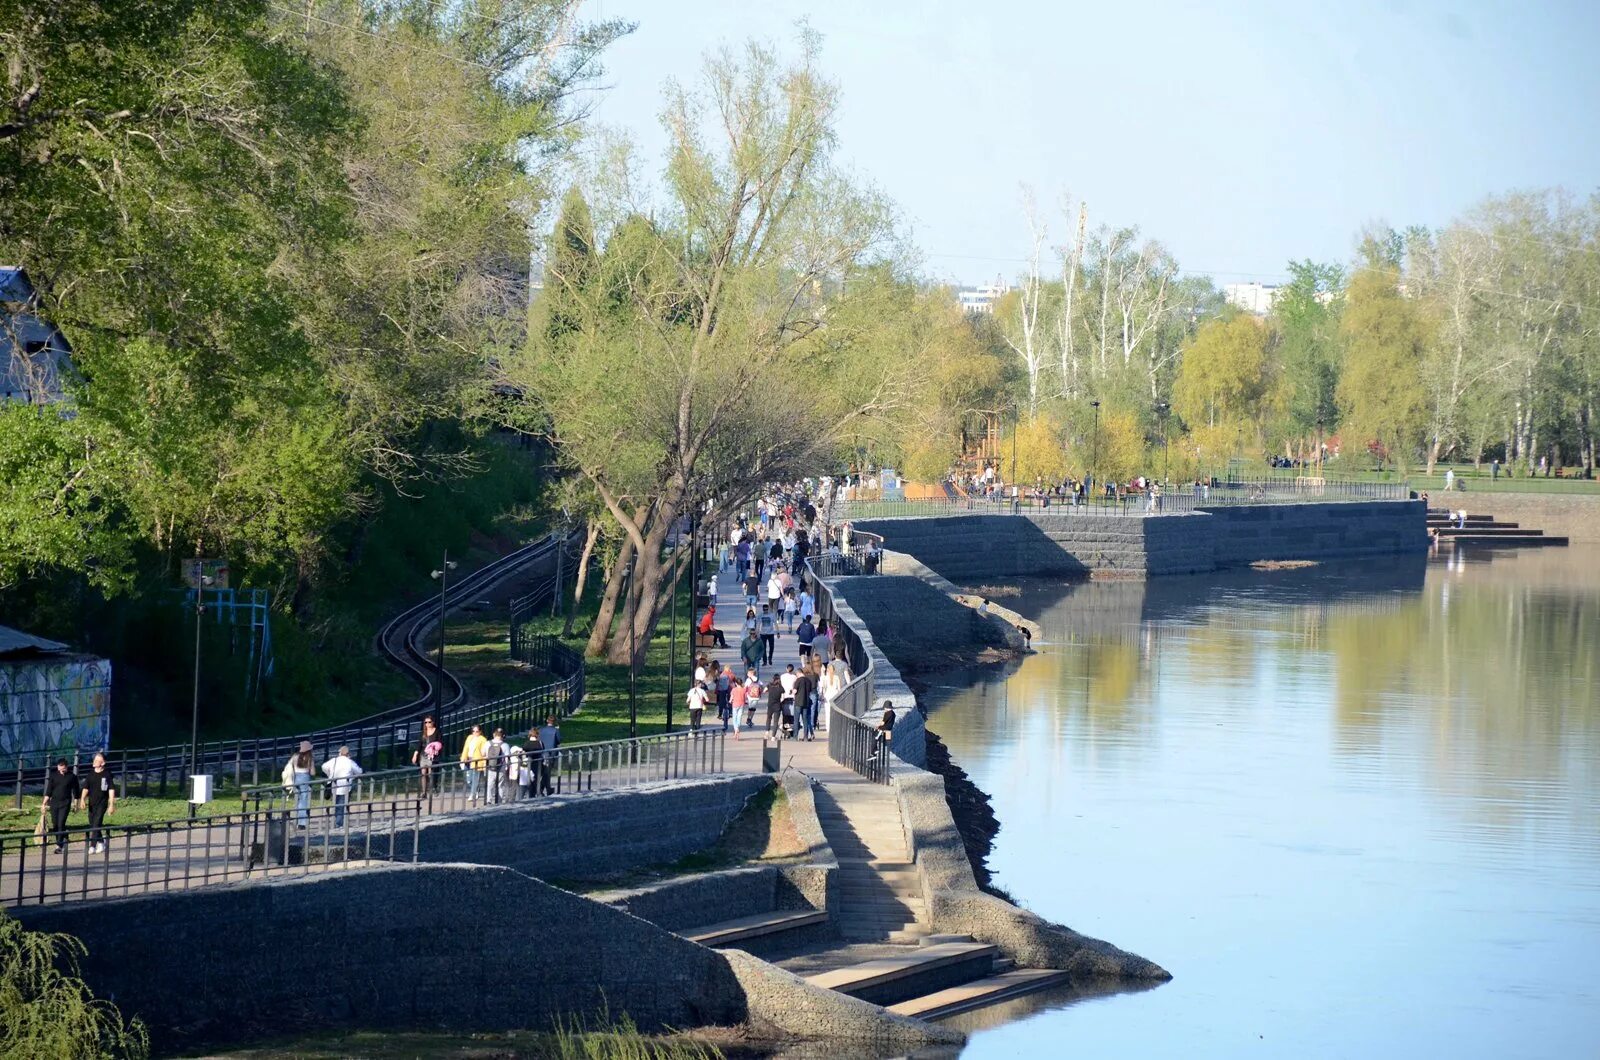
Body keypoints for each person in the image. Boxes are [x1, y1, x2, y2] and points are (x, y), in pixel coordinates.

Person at [79, 753, 116, 854]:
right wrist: (82, 799)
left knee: (96, 822)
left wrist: (111, 804)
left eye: (97, 760)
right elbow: (85, 788)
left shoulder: (107, 774)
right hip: (92, 802)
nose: (94, 762)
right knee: (92, 823)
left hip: (102, 802)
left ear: (103, 763)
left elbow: (111, 789)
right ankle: (101, 841)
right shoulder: (90, 774)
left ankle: (92, 845)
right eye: (94, 760)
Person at [42, 758, 79, 854]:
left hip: (65, 802)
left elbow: (76, 790)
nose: (61, 769)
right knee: (55, 824)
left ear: (66, 767)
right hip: (54, 802)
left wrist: (76, 803)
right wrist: (44, 804)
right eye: (60, 767)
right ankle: (64, 835)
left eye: (63, 767)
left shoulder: (72, 776)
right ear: (58, 767)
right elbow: (49, 790)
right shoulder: (54, 776)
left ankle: (59, 845)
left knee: (61, 822)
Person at [320, 745, 363, 827]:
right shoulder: (350, 762)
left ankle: (338, 821)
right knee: (341, 804)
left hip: (334, 784)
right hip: (345, 785)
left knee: (337, 803)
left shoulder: (334, 760)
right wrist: (352, 776)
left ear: (339, 753)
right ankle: (338, 823)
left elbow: (323, 766)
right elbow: (359, 771)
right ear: (348, 753)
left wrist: (329, 774)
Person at [281, 741, 315, 827]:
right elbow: (313, 772)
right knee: (303, 800)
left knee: (299, 799)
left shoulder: (295, 757)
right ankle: (302, 822)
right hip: (305, 778)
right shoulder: (309, 758)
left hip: (296, 778)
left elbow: (289, 767)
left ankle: (298, 818)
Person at [413, 715, 442, 796]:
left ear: (433, 722)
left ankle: (433, 787)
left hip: (432, 755)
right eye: (426, 722)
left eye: (429, 722)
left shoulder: (437, 731)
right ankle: (424, 792)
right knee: (423, 773)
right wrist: (415, 754)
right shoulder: (423, 732)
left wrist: (435, 749)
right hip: (423, 755)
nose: (427, 724)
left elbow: (440, 743)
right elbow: (419, 744)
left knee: (430, 773)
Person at [460, 724, 488, 805]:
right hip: (468, 760)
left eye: (477, 731)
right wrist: (463, 758)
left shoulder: (483, 739)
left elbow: (484, 752)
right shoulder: (469, 737)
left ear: (480, 731)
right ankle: (476, 789)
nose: (475, 733)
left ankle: (473, 794)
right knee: (468, 779)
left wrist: (483, 763)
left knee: (475, 778)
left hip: (477, 761)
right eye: (473, 731)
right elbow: (465, 748)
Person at [483, 728, 509, 804]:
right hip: (501, 767)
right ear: (502, 735)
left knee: (490, 784)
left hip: (490, 767)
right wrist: (507, 767)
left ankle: (489, 800)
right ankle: (499, 801)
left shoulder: (488, 743)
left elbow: (483, 753)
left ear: (494, 734)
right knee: (500, 785)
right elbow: (507, 757)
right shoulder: (505, 745)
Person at [538, 714, 561, 794]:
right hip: (551, 753)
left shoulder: (541, 730)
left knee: (545, 772)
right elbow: (559, 740)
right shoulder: (555, 730)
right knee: (547, 773)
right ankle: (541, 789)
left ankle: (547, 789)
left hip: (541, 753)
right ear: (554, 722)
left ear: (547, 721)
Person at [729, 671, 748, 740]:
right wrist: (745, 701)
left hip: (735, 704)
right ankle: (738, 727)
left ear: (736, 683)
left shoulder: (734, 689)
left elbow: (732, 697)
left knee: (734, 717)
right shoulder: (743, 690)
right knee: (739, 717)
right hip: (741, 704)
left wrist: (730, 701)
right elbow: (745, 697)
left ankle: (736, 729)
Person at [765, 672, 784, 737]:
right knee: (775, 722)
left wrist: (768, 691)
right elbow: (783, 693)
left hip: (770, 705)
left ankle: (767, 732)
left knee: (768, 718)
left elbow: (764, 690)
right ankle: (773, 736)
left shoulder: (769, 685)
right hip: (777, 706)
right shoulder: (780, 687)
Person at [715, 663, 733, 731]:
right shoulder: (731, 674)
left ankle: (720, 714)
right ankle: (730, 712)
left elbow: (716, 682)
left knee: (721, 703)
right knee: (730, 701)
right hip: (728, 690)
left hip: (721, 691)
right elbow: (734, 680)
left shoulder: (721, 675)